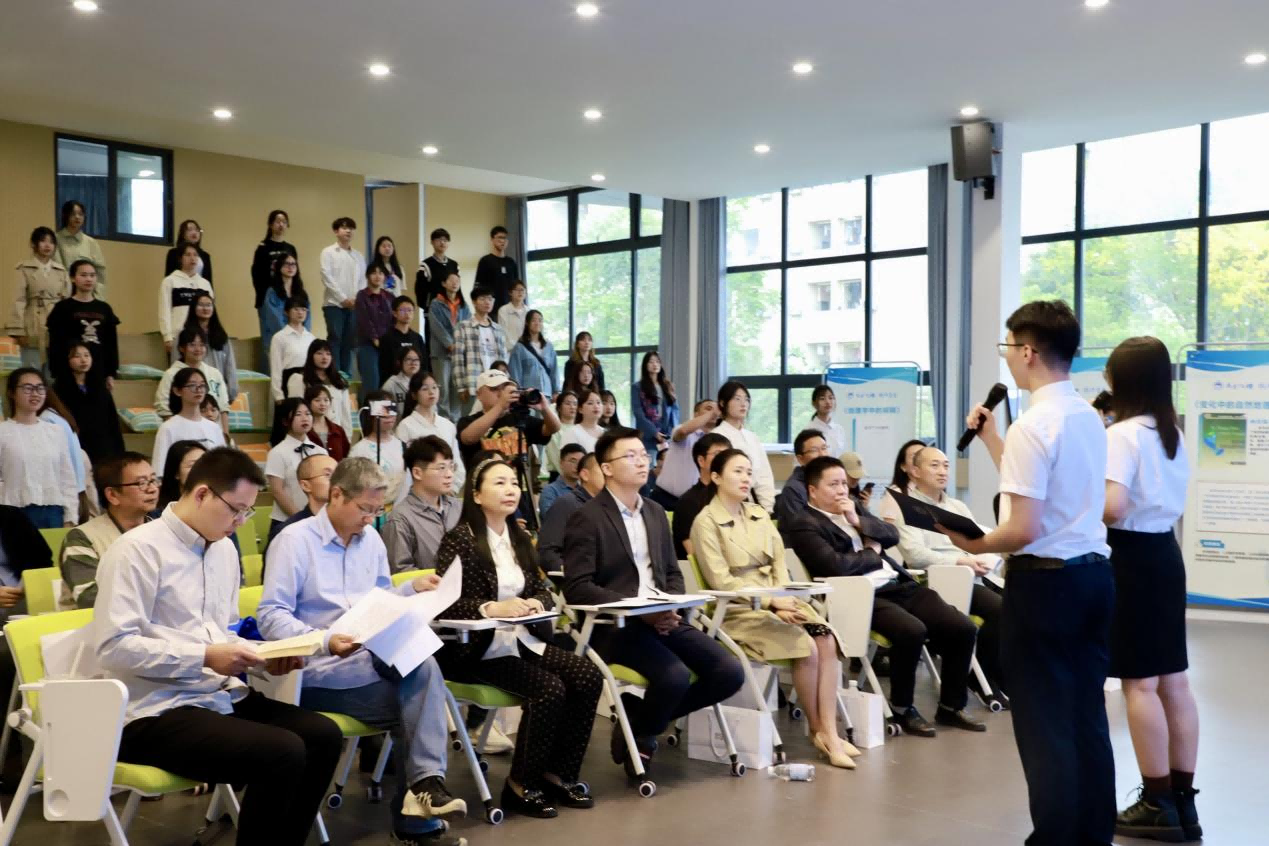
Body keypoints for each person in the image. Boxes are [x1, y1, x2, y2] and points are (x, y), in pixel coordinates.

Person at [92, 447, 344, 845]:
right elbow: (113, 646)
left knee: (322, 735)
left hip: (215, 694)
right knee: (281, 750)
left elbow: (222, 632)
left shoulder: (223, 549)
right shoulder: (136, 550)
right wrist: (206, 657)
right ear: (202, 494)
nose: (241, 522)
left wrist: (262, 659)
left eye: (248, 512)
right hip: (152, 709)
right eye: (236, 510)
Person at [943, 300, 1115, 846]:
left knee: (1044, 723)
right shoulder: (1086, 416)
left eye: (1007, 347)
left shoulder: (1035, 425)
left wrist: (972, 542)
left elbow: (1022, 528)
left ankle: (1054, 838)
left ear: (1028, 351)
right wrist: (994, 439)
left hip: (1045, 586)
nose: (1007, 358)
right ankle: (1092, 834)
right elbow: (1043, 492)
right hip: (1093, 578)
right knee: (1085, 714)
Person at [260, 458, 466, 845]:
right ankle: (417, 816)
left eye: (377, 510)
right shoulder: (294, 540)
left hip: (368, 657)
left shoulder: (370, 539)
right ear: (336, 495)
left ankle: (424, 791)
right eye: (364, 509)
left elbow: (378, 598)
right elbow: (271, 616)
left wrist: (409, 592)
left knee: (423, 664)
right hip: (317, 670)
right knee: (417, 706)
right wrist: (325, 639)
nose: (371, 519)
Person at [561, 428, 745, 780]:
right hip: (615, 626)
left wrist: (671, 608)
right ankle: (643, 735)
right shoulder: (587, 517)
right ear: (607, 468)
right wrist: (637, 609)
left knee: (729, 671)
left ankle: (640, 724)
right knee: (674, 676)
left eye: (643, 455)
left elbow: (672, 574)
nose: (641, 461)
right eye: (629, 456)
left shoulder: (657, 512)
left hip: (661, 618)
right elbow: (578, 588)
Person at [435, 454, 603, 818]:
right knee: (550, 689)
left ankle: (559, 775)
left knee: (588, 675)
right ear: (476, 495)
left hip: (521, 641)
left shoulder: (520, 537)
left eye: (513, 483)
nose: (510, 489)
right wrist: (492, 608)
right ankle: (520, 785)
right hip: (475, 651)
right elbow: (444, 605)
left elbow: (542, 589)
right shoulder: (459, 540)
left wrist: (534, 602)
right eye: (499, 483)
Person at [786, 456, 985, 737]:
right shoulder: (804, 523)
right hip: (858, 595)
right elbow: (835, 567)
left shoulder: (852, 508)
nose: (842, 490)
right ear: (813, 490)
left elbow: (891, 535)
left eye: (843, 483)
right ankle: (903, 708)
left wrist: (858, 521)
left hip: (895, 583)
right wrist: (872, 552)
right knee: (911, 630)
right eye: (833, 485)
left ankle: (951, 706)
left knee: (961, 627)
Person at [691, 449, 860, 769]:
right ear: (715, 477)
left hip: (780, 602)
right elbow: (722, 582)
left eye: (748, 472)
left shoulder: (758, 514)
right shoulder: (706, 522)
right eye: (737, 471)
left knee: (827, 638)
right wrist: (771, 603)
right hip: (739, 612)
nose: (746, 478)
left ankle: (830, 733)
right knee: (807, 646)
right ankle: (821, 732)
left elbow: (780, 565)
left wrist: (785, 599)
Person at [1100, 337, 1200, 842]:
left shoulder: (1121, 435)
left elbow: (1113, 507)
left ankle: (1156, 802)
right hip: (1165, 553)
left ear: (1124, 380)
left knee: (1140, 684)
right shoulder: (1172, 432)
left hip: (1130, 557)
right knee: (1174, 681)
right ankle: (1182, 801)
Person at [895, 446, 1006, 700]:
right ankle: (983, 677)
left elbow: (979, 539)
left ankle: (995, 674)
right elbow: (915, 554)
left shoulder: (957, 506)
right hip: (936, 580)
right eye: (934, 465)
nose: (942, 471)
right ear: (915, 471)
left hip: (973, 574)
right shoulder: (907, 508)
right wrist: (960, 560)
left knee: (1019, 603)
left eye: (945, 465)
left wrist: (983, 557)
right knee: (1000, 609)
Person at [457, 372, 560, 523]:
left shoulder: (520, 418)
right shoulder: (468, 421)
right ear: (479, 394)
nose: (501, 394)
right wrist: (500, 406)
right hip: (485, 495)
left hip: (519, 493)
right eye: (494, 389)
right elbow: (468, 438)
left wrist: (544, 408)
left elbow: (553, 428)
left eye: (504, 389)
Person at [59, 452, 156, 609]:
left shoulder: (164, 532)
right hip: (93, 622)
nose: (152, 489)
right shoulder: (82, 538)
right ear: (112, 495)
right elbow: (90, 598)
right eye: (141, 483)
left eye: (153, 480)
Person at [0, 505, 51, 782]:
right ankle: (12, 757)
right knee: (7, 659)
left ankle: (53, 755)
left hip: (22, 607)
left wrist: (27, 586)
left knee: (49, 650)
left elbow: (43, 560)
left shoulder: (11, 518)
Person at [0, 368, 78, 528]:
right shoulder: (3, 431)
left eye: (40, 388)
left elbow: (67, 477)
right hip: (13, 511)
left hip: (53, 512)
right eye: (27, 388)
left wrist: (70, 517)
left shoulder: (55, 431)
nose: (35, 393)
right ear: (11, 393)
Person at [382, 436, 461, 573]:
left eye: (451, 467)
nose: (449, 474)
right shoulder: (400, 519)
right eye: (441, 468)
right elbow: (399, 571)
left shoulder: (459, 507)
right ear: (417, 473)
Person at [45, 259, 119, 387]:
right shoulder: (62, 307)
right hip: (69, 370)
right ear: (73, 278)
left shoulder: (104, 308)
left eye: (92, 275)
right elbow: (55, 343)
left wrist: (111, 373)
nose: (88, 279)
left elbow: (111, 344)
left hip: (98, 369)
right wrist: (56, 371)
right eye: (83, 275)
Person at [52, 342, 125, 470]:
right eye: (77, 356)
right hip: (75, 445)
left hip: (102, 447)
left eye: (87, 355)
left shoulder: (100, 388)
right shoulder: (58, 390)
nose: (83, 360)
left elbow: (112, 421)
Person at [8, 226, 68, 368]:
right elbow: (18, 300)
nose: (47, 245)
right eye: (43, 241)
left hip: (56, 324)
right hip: (32, 324)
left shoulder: (61, 270)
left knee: (55, 371)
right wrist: (18, 330)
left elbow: (67, 301)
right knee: (32, 368)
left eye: (51, 242)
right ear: (33, 244)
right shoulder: (24, 268)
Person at [265, 398, 328, 534]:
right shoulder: (277, 452)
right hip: (285, 521)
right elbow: (277, 491)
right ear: (285, 421)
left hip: (317, 521)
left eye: (308, 414)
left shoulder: (321, 451)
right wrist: (299, 517)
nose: (304, 418)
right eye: (298, 414)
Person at [711, 380, 776, 511]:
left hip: (754, 503)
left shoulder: (752, 437)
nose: (743, 404)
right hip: (727, 503)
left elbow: (764, 475)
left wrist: (767, 508)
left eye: (746, 399)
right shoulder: (716, 436)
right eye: (737, 399)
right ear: (723, 403)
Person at [396, 371, 465, 494]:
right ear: (414, 395)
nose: (431, 392)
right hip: (419, 491)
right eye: (425, 388)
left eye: (434, 387)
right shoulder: (405, 426)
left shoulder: (447, 425)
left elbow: (456, 461)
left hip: (448, 491)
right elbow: (403, 466)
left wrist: (453, 488)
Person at [154, 328, 230, 437]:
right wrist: (178, 433)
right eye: (192, 345)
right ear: (182, 348)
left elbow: (223, 407)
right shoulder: (171, 374)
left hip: (214, 433)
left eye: (202, 345)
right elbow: (164, 407)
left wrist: (225, 435)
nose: (198, 349)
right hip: (184, 433)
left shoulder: (215, 373)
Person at [536, 451, 604, 572]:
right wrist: (572, 574)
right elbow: (548, 551)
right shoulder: (567, 504)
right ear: (585, 475)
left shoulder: (611, 506)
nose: (609, 474)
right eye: (602, 469)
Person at [262, 453, 337, 562]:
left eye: (339, 475)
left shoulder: (349, 525)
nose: (338, 481)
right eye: (328, 475)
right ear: (306, 485)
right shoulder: (287, 533)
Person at [152, 368, 226, 474]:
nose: (198, 389)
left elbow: (223, 464)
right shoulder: (168, 428)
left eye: (202, 385)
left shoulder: (214, 428)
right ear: (177, 391)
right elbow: (159, 468)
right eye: (192, 385)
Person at [670, 432, 731, 559]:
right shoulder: (688, 502)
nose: (725, 460)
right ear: (701, 461)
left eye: (728, 454)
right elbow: (696, 554)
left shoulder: (735, 497)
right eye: (718, 454)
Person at [651, 399, 720, 510]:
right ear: (696, 414)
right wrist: (712, 413)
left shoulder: (718, 440)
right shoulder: (683, 430)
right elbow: (683, 431)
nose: (714, 412)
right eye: (708, 408)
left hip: (695, 501)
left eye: (716, 409)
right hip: (665, 498)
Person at [252, 210, 299, 372]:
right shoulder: (263, 248)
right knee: (272, 341)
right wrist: (266, 298)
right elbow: (257, 275)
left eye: (284, 221)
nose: (281, 224)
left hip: (289, 299)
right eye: (277, 221)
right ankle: (271, 376)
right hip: (270, 299)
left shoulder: (290, 248)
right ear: (270, 224)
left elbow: (296, 274)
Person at [320, 216, 367, 377]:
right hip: (334, 304)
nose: (348, 231)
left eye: (351, 228)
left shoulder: (358, 256)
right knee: (335, 339)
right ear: (336, 231)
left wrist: (356, 299)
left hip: (354, 305)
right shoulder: (328, 252)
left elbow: (363, 280)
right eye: (344, 228)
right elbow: (327, 277)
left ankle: (346, 375)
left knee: (349, 341)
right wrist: (343, 299)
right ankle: (334, 374)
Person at [453, 285, 509, 408]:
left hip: (497, 383)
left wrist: (506, 382)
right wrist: (461, 387)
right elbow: (458, 359)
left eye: (490, 299)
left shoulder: (498, 329)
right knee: (473, 417)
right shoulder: (463, 326)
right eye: (482, 299)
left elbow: (504, 359)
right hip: (473, 383)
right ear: (474, 302)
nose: (487, 302)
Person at [260, 254, 311, 384]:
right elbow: (274, 319)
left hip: (299, 339)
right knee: (278, 378)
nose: (290, 267)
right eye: (286, 264)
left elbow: (307, 317)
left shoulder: (301, 292)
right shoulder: (272, 292)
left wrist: (303, 334)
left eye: (293, 264)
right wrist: (290, 334)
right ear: (279, 267)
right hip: (278, 338)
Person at [350, 390, 407, 504]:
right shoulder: (359, 450)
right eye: (383, 409)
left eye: (392, 408)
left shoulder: (403, 446)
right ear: (370, 413)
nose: (389, 415)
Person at [159, 243, 214, 360]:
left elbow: (212, 312)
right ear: (180, 258)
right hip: (178, 336)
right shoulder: (169, 281)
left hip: (202, 338)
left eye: (195, 255)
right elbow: (164, 310)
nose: (192, 258)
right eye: (188, 255)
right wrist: (167, 337)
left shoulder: (205, 284)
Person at [288, 339, 354, 435]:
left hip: (336, 433)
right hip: (310, 433)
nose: (324, 357)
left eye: (328, 354)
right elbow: (295, 410)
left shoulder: (339, 380)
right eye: (319, 353)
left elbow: (346, 413)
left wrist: (347, 436)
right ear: (311, 356)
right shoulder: (300, 379)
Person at [428, 271, 470, 421]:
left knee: (457, 388)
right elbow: (437, 327)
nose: (454, 283)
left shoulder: (464, 306)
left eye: (457, 280)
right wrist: (450, 344)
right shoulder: (436, 303)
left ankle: (455, 423)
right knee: (443, 390)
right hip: (441, 353)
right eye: (451, 280)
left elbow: (467, 326)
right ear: (444, 283)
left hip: (459, 354)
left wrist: (460, 346)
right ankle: (443, 421)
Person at [184, 292, 238, 406]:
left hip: (217, 392)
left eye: (209, 305)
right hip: (192, 393)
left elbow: (230, 366)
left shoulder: (222, 336)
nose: (205, 308)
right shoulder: (183, 335)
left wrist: (231, 392)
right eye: (201, 305)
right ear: (193, 307)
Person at [773, 429, 832, 530]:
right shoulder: (793, 489)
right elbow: (802, 529)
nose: (822, 454)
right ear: (800, 459)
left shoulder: (831, 481)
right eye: (814, 450)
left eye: (824, 448)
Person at [356, 262, 395, 403]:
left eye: (381, 273)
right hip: (368, 344)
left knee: (387, 383)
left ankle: (385, 414)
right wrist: (375, 338)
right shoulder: (362, 295)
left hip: (387, 344)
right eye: (373, 273)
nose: (377, 276)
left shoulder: (390, 297)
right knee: (371, 383)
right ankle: (368, 414)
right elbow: (364, 319)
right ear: (367, 276)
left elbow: (394, 320)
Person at [55, 200, 107, 299]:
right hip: (63, 295)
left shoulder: (91, 242)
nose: (77, 217)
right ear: (65, 215)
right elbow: (56, 270)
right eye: (73, 214)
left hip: (87, 295)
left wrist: (98, 297)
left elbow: (100, 272)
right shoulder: (56, 239)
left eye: (80, 214)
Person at [269, 294, 316, 403]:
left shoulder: (311, 338)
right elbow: (276, 367)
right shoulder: (279, 337)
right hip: (288, 381)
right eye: (296, 309)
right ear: (287, 312)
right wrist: (278, 394)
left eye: (303, 309)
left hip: (309, 381)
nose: (300, 313)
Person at [631, 352, 678, 460]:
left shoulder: (668, 386)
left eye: (657, 362)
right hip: (648, 435)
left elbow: (675, 411)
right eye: (651, 362)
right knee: (650, 464)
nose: (655, 364)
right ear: (645, 365)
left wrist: (670, 432)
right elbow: (638, 413)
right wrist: (654, 433)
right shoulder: (637, 387)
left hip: (666, 435)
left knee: (667, 465)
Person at [508, 310, 556, 401]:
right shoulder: (519, 347)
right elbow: (515, 373)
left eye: (540, 320)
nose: (537, 323)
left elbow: (554, 370)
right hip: (528, 394)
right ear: (527, 323)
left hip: (546, 393)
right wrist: (518, 392)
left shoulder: (548, 346)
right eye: (534, 320)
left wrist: (556, 391)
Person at [877, 438, 928, 525]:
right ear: (903, 466)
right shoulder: (896, 493)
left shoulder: (935, 493)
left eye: (924, 457)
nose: (920, 461)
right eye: (914, 457)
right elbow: (889, 529)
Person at [473, 226, 520, 316]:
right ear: (492, 239)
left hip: (511, 309)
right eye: (500, 237)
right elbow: (478, 288)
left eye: (505, 238)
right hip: (492, 309)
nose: (502, 241)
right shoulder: (485, 261)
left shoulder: (511, 262)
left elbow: (517, 286)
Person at [381, 295, 426, 383]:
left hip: (415, 382)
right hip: (394, 382)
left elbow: (423, 364)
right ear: (394, 313)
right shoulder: (387, 338)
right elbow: (384, 366)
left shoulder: (417, 338)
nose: (407, 314)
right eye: (402, 310)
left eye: (410, 310)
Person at [416, 228, 458, 317]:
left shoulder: (454, 265)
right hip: (433, 310)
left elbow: (458, 288)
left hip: (452, 309)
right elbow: (420, 290)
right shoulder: (426, 265)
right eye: (439, 239)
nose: (442, 242)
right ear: (432, 242)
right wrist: (427, 307)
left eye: (445, 240)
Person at [156, 441, 206, 513]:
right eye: (193, 465)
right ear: (176, 473)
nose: (202, 470)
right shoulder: (160, 512)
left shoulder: (218, 504)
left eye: (206, 464)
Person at [305, 384, 350, 461]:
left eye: (326, 400)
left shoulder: (338, 430)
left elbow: (345, 456)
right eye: (317, 400)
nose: (322, 404)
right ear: (308, 403)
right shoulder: (304, 430)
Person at [539, 443, 584, 518]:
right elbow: (549, 518)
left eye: (581, 462)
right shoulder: (550, 491)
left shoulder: (584, 490)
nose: (577, 466)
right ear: (561, 463)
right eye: (573, 461)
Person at [164, 219, 214, 283]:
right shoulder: (173, 253)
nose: (194, 232)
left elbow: (208, 281)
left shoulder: (205, 255)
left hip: (200, 288)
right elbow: (169, 276)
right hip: (179, 287)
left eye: (197, 230)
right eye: (190, 230)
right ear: (183, 234)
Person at [543, 391, 579, 478]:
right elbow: (555, 456)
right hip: (559, 476)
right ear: (559, 407)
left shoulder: (581, 428)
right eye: (568, 403)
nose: (572, 407)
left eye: (575, 404)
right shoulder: (553, 429)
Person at [806, 385, 847, 457]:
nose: (828, 402)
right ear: (814, 403)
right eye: (822, 399)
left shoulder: (839, 429)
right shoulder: (808, 430)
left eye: (831, 398)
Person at [563, 389, 606, 454]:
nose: (596, 406)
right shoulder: (572, 432)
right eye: (590, 403)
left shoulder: (606, 433)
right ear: (580, 409)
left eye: (598, 402)